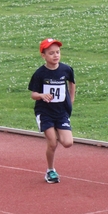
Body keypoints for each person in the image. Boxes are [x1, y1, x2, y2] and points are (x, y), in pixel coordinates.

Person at [28, 38, 76, 184]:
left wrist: (71, 100)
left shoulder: (66, 69)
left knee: (68, 143)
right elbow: (33, 95)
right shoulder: (40, 74)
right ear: (43, 55)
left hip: (61, 112)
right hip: (45, 112)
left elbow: (72, 83)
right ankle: (50, 170)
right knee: (53, 143)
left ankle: (55, 131)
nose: (55, 56)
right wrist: (42, 95)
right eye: (51, 53)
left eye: (58, 52)